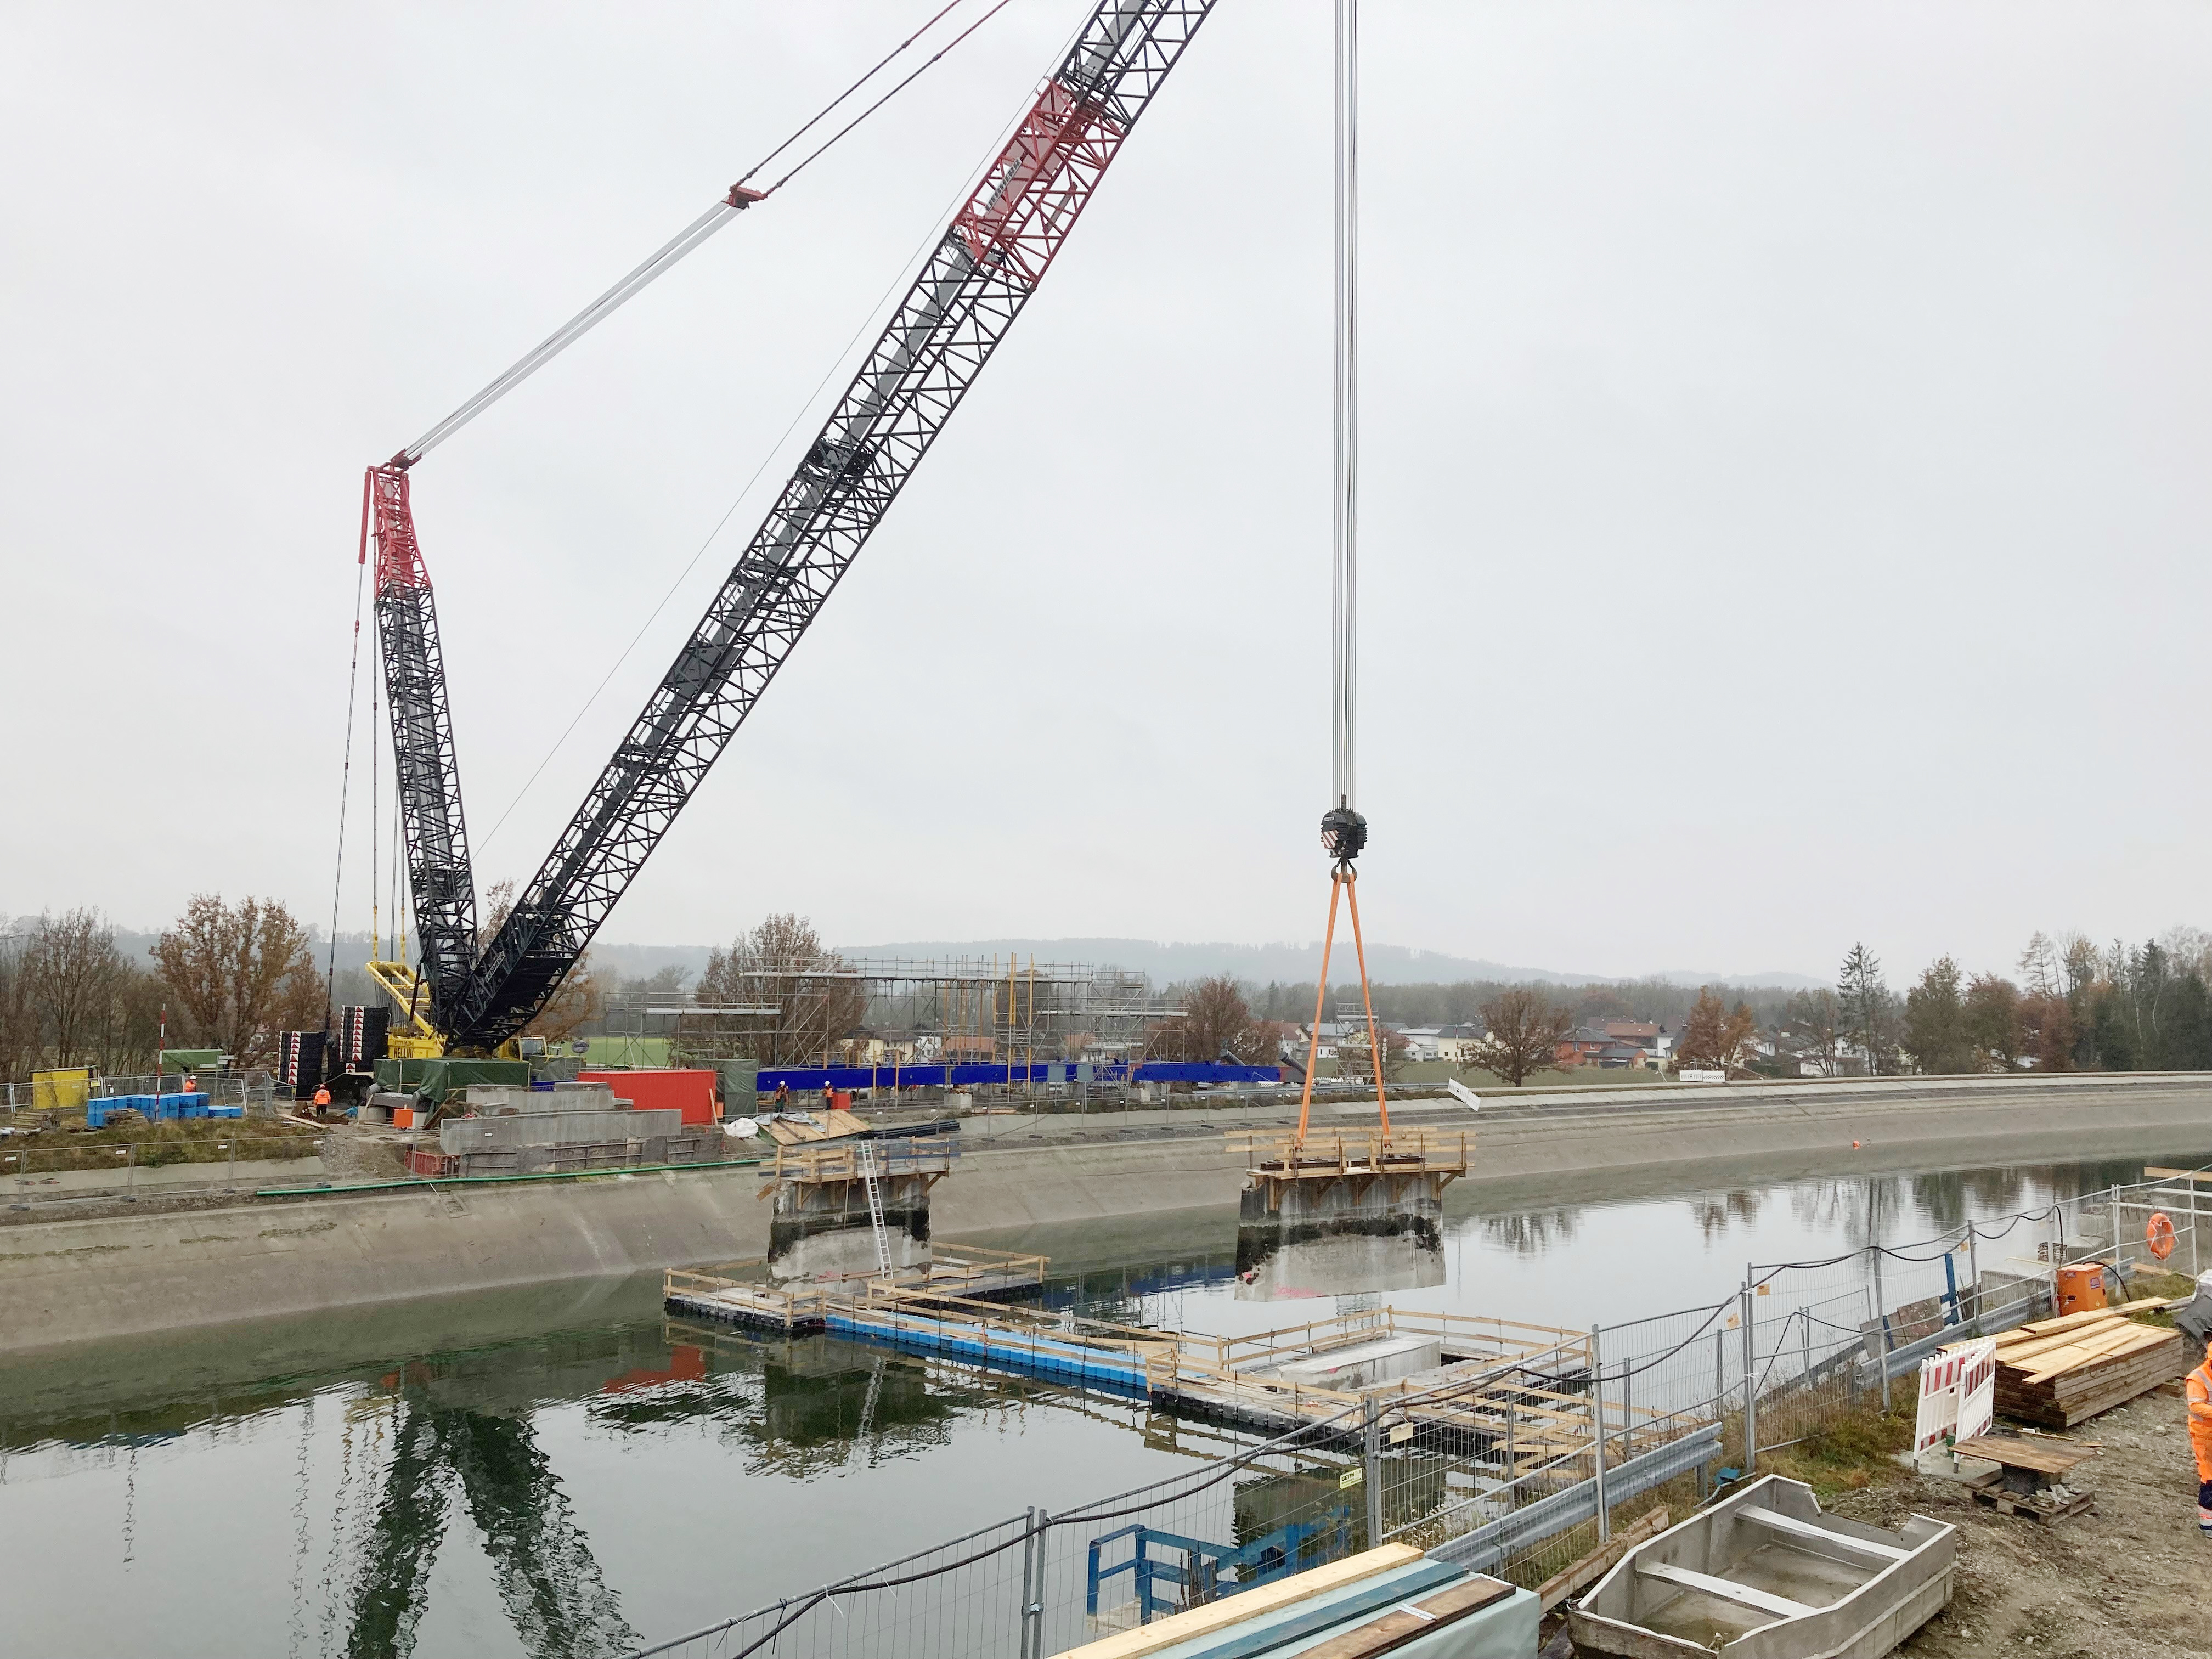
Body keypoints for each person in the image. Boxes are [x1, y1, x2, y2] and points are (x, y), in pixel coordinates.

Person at [2191, 1335, 2212, 1540]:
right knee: (2210, 1478)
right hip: (2205, 1436)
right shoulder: (2198, 1378)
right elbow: (2196, 1406)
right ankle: (2207, 1525)